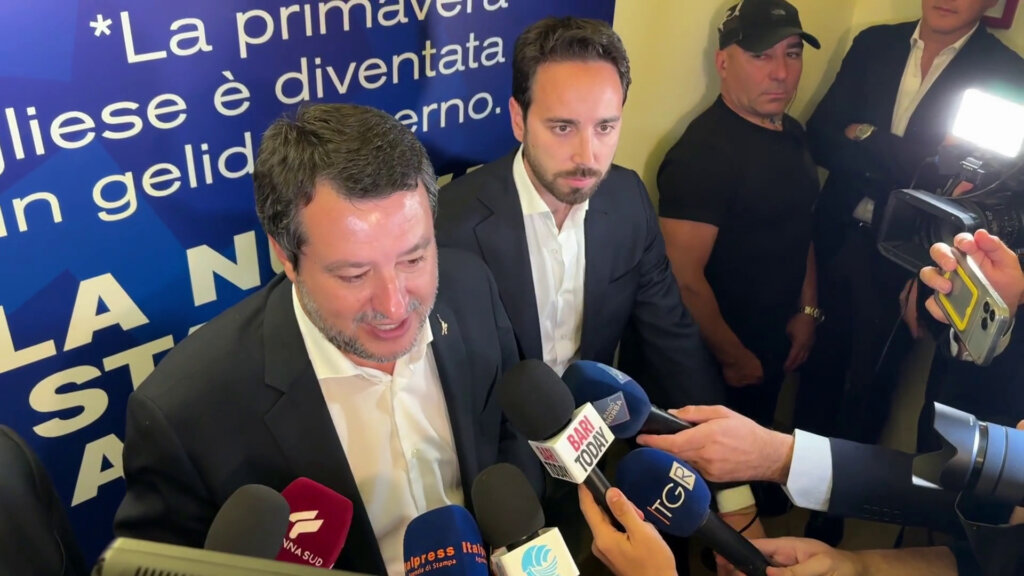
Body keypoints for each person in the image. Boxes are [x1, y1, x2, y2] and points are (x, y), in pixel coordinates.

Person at [113, 104, 541, 576]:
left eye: (414, 260)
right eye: (354, 275)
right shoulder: (185, 414)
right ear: (285, 255)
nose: (395, 306)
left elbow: (507, 433)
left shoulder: (471, 288)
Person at [435, 16, 723, 414]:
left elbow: (671, 334)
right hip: (498, 437)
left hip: (594, 426)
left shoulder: (628, 200)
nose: (587, 157)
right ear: (519, 120)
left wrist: (707, 427)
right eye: (562, 128)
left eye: (605, 127)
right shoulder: (448, 224)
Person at [797, 0, 1024, 447]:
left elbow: (973, 184)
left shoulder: (1007, 72)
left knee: (871, 388)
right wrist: (911, 159)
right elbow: (821, 136)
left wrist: (865, 135)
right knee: (813, 369)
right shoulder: (874, 43)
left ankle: (845, 490)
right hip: (833, 233)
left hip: (913, 258)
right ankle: (785, 472)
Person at [657, 0, 821, 430]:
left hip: (772, 344)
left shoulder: (792, 132)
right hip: (711, 362)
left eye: (792, 53)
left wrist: (808, 310)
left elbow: (800, 223)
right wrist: (733, 357)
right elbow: (682, 278)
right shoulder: (702, 154)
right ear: (723, 63)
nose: (781, 72)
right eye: (760, 56)